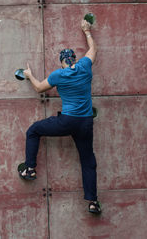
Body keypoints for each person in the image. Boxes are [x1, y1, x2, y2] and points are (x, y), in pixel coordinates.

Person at [18, 18, 101, 214]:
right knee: (88, 160)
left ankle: (29, 169)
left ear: (62, 62)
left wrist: (29, 75)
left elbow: (39, 88)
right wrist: (86, 31)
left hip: (67, 122)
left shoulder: (58, 75)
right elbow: (93, 50)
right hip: (85, 123)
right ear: (74, 58)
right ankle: (93, 202)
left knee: (34, 130)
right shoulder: (84, 66)